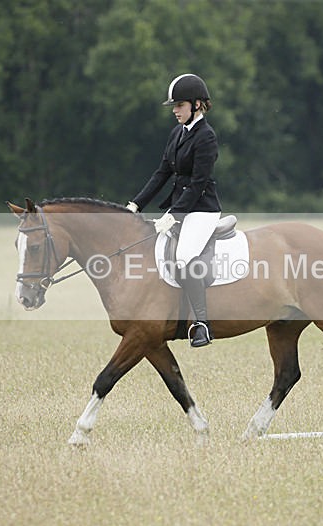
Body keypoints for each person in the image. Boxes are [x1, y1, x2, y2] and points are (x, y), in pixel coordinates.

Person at [125, 74, 221, 348]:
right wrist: (136, 204)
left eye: (179, 105)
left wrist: (173, 216)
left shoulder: (207, 137)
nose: (175, 111)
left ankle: (202, 323)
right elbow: (162, 172)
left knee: (185, 256)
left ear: (197, 105)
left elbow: (198, 184)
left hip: (202, 210)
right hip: (180, 208)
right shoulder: (177, 133)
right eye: (174, 106)